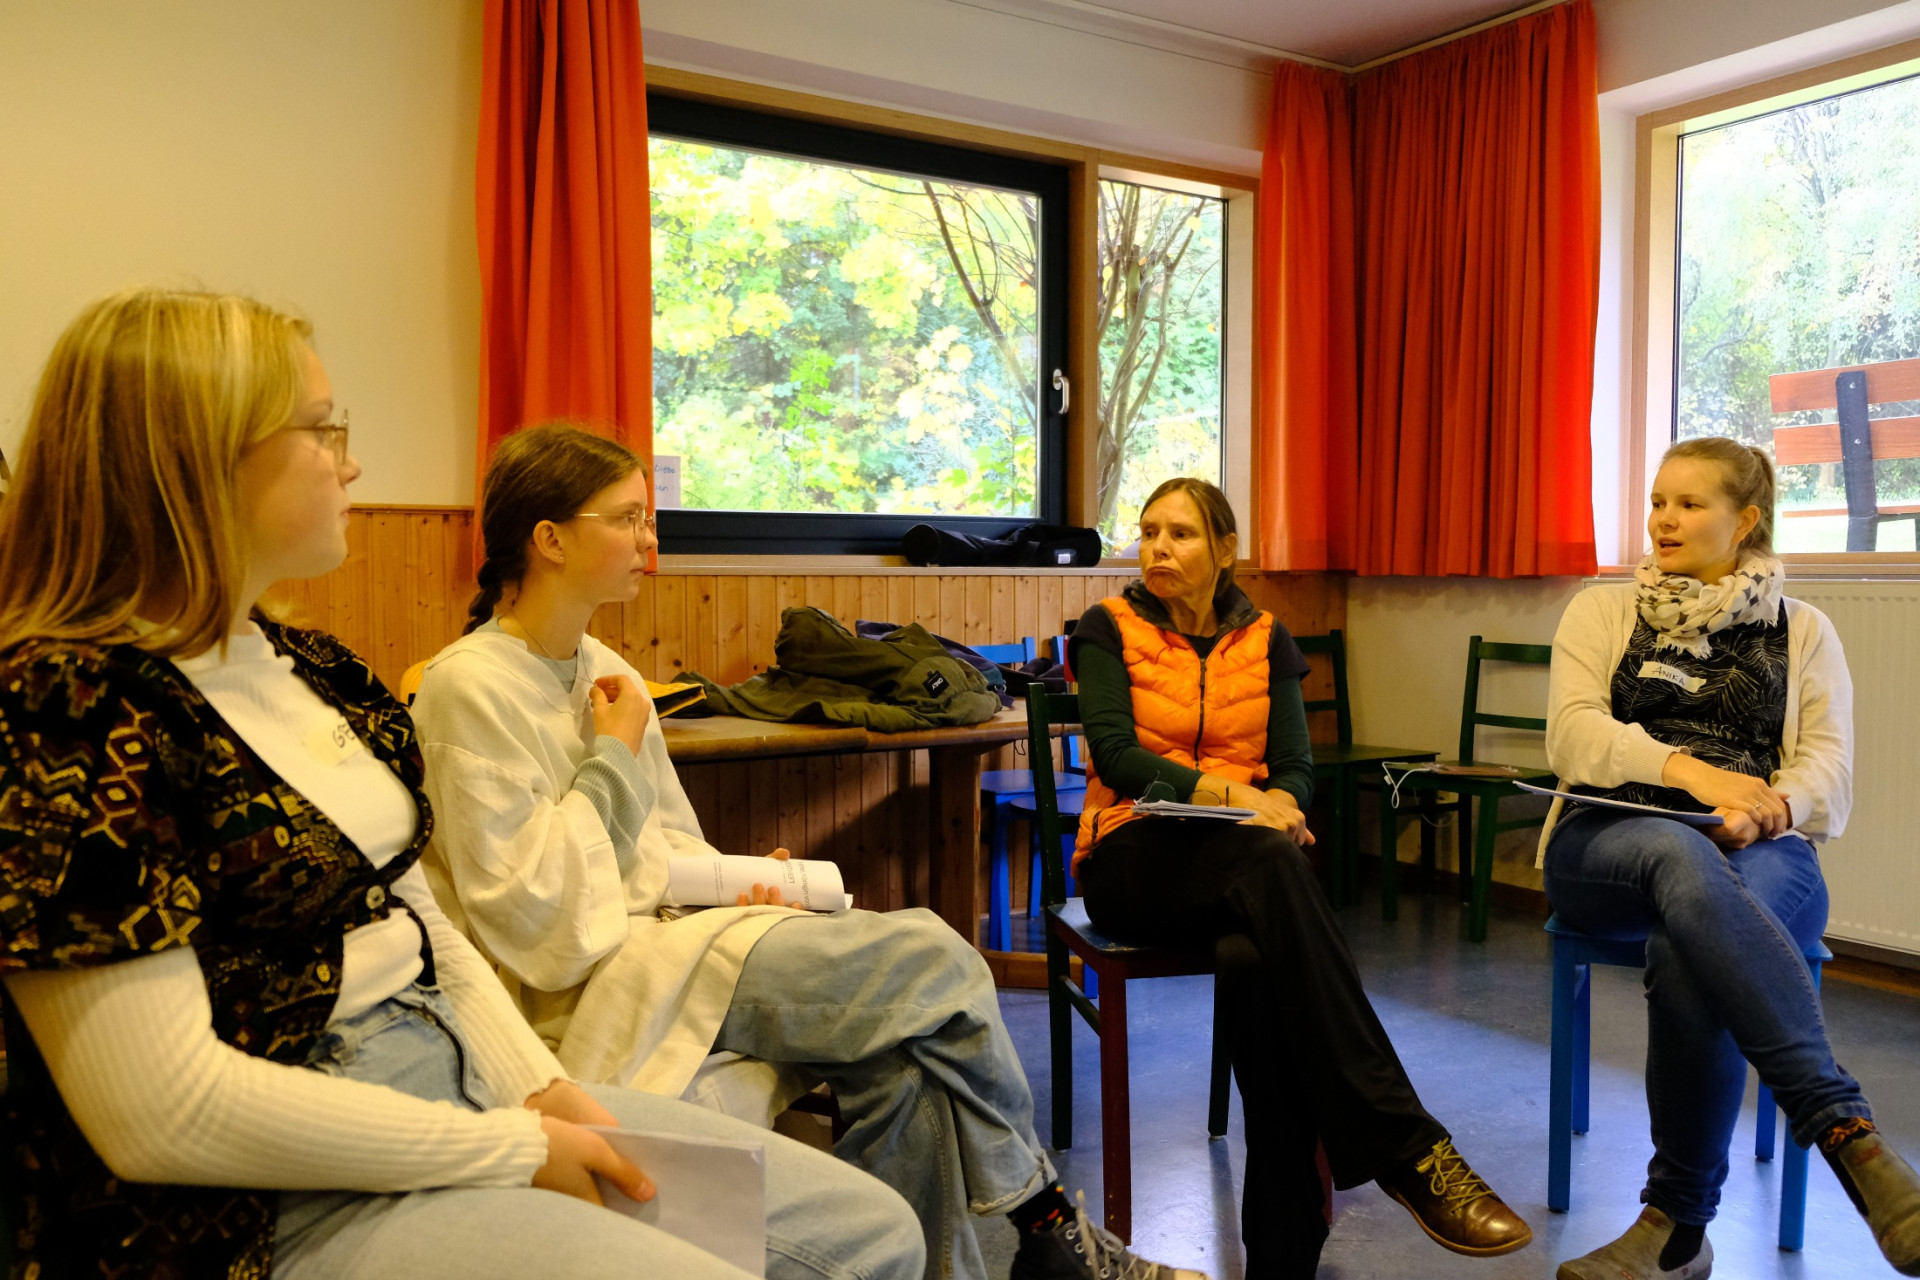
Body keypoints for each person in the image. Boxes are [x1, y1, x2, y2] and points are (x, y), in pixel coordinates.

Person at [0, 287, 929, 1280]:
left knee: (868, 1232)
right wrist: (513, 1148)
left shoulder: (309, 667)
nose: (351, 461)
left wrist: (540, 1089)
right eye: (321, 429)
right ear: (195, 459)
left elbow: (420, 920)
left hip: (451, 1070)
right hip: (265, 1196)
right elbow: (163, 1114)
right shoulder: (68, 708)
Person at [407, 423, 1206, 1280]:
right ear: (550, 539)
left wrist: (738, 881)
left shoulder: (607, 671)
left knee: (905, 1072)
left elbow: (661, 843)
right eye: (628, 518)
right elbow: (535, 919)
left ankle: (1020, 1253)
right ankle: (1047, 1229)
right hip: (589, 978)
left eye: (648, 518)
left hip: (672, 934)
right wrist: (609, 758)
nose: (650, 540)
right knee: (937, 956)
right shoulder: (468, 688)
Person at [1066, 477, 1533, 1279]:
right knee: (1273, 862)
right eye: (1148, 532)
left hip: (1240, 865)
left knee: (1254, 959)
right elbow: (1117, 756)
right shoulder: (1108, 627)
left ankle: (1284, 1258)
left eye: (1180, 533)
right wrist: (1242, 800)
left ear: (1226, 549)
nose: (1158, 548)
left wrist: (1279, 802)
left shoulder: (1267, 638)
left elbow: (1295, 765)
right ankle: (1409, 1148)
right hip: (1131, 857)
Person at [1544, 436, 1920, 1280]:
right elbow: (1572, 737)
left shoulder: (1805, 630)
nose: (1663, 520)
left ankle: (1674, 1230)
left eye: (1689, 504)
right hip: (1611, 838)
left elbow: (1828, 771)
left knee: (1691, 945)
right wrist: (1694, 775)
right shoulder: (1601, 611)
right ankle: (1845, 1129)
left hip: (1762, 845)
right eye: (1658, 501)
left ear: (1745, 520)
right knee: (1679, 855)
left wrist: (1767, 810)